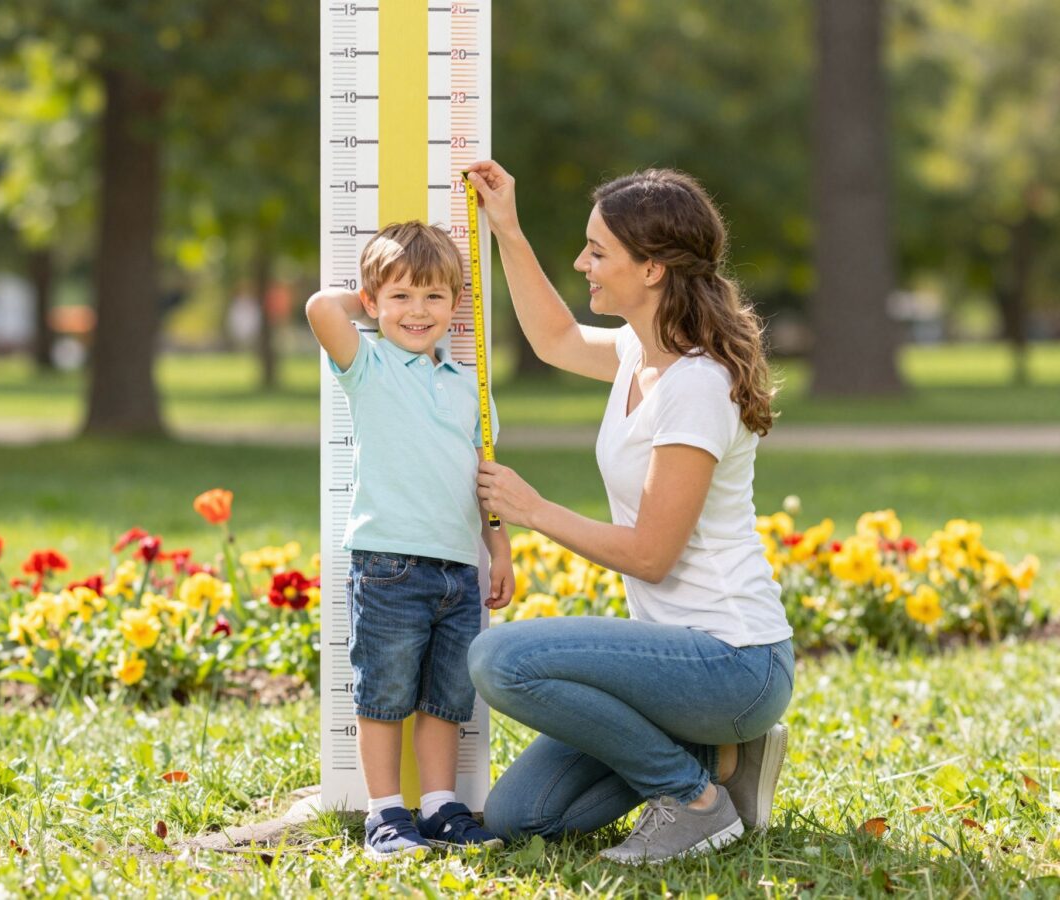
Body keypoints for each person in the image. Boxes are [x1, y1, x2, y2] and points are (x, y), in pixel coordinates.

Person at [464, 160, 795, 865]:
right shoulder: (637, 355)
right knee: (523, 817)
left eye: (597, 251)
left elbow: (650, 555)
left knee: (499, 660)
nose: (582, 263)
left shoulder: (696, 385)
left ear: (651, 269)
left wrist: (533, 510)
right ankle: (720, 755)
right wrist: (507, 230)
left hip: (733, 661)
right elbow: (554, 340)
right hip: (676, 666)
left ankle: (693, 800)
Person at [306, 221, 514, 861]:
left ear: (456, 305)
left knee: (446, 699)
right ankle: (385, 814)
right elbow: (320, 308)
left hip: (458, 572)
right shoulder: (367, 366)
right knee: (385, 693)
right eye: (401, 296)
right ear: (373, 302)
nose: (417, 311)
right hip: (388, 565)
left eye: (432, 297)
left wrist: (500, 550)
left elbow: (486, 479)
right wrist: (370, 301)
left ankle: (441, 807)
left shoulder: (469, 385)